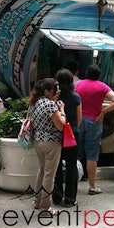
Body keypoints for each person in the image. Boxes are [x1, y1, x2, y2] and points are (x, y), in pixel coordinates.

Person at [76, 64, 114, 195]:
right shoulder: (102, 86)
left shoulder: (78, 84)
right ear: (98, 75)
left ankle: (72, 184)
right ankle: (92, 186)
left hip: (78, 121)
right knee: (92, 155)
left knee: (75, 154)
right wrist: (103, 112)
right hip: (94, 122)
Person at [30, 78, 66, 215]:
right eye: (55, 90)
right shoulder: (51, 105)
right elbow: (61, 125)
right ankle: (46, 206)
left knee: (42, 171)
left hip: (38, 141)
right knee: (49, 175)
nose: (58, 93)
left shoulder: (36, 102)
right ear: (47, 91)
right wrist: (62, 110)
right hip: (51, 142)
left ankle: (37, 201)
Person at [52, 68, 82, 207]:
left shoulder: (54, 98)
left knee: (56, 165)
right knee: (71, 165)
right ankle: (70, 199)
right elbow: (79, 119)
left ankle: (57, 197)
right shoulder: (76, 97)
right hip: (72, 134)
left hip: (56, 134)